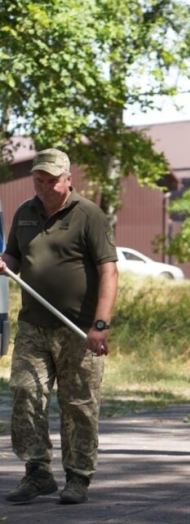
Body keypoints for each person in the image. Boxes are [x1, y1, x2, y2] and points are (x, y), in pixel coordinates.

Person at [1, 148, 118, 504]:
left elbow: (109, 271)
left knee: (78, 403)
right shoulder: (25, 213)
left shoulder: (88, 215)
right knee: (25, 391)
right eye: (39, 180)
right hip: (34, 325)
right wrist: (3, 262)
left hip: (78, 329)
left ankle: (78, 476)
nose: (44, 187)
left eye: (52, 181)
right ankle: (37, 472)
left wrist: (100, 324)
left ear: (68, 179)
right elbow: (14, 259)